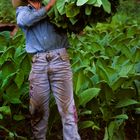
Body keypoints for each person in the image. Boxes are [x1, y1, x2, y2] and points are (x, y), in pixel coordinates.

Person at [15, 0, 81, 139]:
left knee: (68, 110)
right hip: (39, 62)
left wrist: (77, 20)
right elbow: (24, 21)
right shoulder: (23, 11)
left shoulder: (59, 8)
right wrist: (49, 7)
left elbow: (76, 27)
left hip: (60, 59)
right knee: (38, 110)